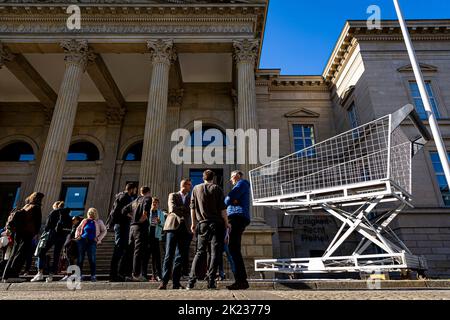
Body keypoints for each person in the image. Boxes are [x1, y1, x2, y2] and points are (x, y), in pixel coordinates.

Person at [187, 170, 230, 290]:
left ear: (203, 177)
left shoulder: (196, 188)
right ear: (213, 178)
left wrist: (193, 223)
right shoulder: (217, 188)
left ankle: (191, 281)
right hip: (217, 224)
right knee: (215, 253)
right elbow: (223, 210)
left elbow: (192, 207)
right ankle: (211, 281)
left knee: (200, 252)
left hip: (202, 224)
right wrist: (227, 224)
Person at [2, 192, 43, 282]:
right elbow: (37, 223)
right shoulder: (36, 207)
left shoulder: (26, 206)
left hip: (18, 232)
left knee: (14, 253)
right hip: (27, 233)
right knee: (22, 254)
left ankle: (6, 276)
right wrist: (36, 233)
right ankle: (13, 275)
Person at [159, 179, 192, 290]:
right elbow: (172, 208)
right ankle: (164, 282)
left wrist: (182, 209)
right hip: (172, 227)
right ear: (184, 185)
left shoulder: (190, 197)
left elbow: (191, 210)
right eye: (189, 185)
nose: (190, 187)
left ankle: (176, 283)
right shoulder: (173, 195)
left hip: (185, 229)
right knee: (169, 254)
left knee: (180, 257)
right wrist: (184, 209)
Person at [30, 201, 72, 282]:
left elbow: (47, 226)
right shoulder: (68, 215)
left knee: (41, 252)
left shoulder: (54, 212)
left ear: (55, 206)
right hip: (62, 237)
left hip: (52, 235)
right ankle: (51, 275)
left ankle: (40, 273)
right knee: (56, 255)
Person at [224, 170, 251, 290]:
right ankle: (241, 280)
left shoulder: (242, 184)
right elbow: (231, 200)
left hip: (236, 218)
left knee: (233, 249)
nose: (231, 180)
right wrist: (232, 200)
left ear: (235, 176)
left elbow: (228, 199)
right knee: (234, 249)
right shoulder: (242, 185)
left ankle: (241, 281)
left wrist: (230, 201)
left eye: (231, 178)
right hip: (237, 218)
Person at [108, 183, 137, 282]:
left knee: (122, 249)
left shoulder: (121, 196)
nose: (135, 192)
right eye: (135, 190)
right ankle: (114, 275)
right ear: (132, 189)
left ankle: (118, 274)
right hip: (122, 225)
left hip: (121, 225)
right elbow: (120, 211)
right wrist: (130, 215)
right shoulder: (126, 197)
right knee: (119, 249)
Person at [122, 186, 152, 282]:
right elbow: (145, 212)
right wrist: (141, 220)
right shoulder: (147, 198)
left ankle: (128, 274)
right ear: (148, 192)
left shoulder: (135, 200)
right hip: (140, 227)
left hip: (132, 228)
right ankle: (136, 274)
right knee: (138, 251)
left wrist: (132, 218)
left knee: (130, 250)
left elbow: (123, 210)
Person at [75, 208, 107, 282]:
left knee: (92, 259)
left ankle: (93, 276)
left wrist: (98, 239)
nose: (90, 214)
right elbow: (78, 229)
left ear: (95, 214)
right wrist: (77, 237)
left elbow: (104, 231)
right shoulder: (84, 220)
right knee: (80, 259)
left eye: (91, 213)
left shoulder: (99, 221)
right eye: (89, 213)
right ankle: (79, 276)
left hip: (92, 242)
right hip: (82, 241)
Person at [143, 197, 165, 281]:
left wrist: (159, 222)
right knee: (146, 257)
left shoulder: (161, 213)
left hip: (156, 237)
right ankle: (144, 274)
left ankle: (158, 275)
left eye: (156, 202)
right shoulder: (147, 212)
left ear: (158, 204)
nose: (154, 204)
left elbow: (163, 225)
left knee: (157, 258)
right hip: (148, 237)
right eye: (153, 202)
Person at [60, 213, 83, 281]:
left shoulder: (77, 227)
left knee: (70, 261)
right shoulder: (74, 226)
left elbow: (73, 236)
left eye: (74, 219)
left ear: (77, 220)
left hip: (73, 246)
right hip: (71, 245)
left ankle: (70, 275)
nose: (72, 220)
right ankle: (71, 274)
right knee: (70, 261)